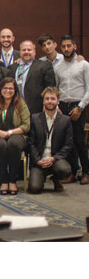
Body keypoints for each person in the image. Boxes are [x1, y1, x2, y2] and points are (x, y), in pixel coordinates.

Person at [0, 77, 31, 195]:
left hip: (16, 134)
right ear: (0, 89)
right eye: (5, 88)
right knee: (0, 144)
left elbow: (26, 126)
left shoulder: (21, 104)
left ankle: (12, 181)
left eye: (11, 88)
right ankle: (3, 180)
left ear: (15, 90)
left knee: (13, 144)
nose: (8, 91)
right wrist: (1, 133)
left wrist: (9, 133)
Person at [54, 35, 89, 184]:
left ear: (74, 46)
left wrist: (80, 107)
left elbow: (88, 88)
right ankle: (73, 172)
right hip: (62, 106)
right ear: (60, 49)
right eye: (64, 47)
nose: (67, 49)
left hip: (78, 105)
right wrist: (56, 107)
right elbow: (55, 88)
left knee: (79, 141)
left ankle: (86, 172)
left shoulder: (84, 65)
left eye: (69, 46)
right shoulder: (57, 66)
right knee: (66, 141)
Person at [28, 87, 74, 193]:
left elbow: (68, 144)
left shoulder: (65, 120)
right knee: (34, 189)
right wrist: (38, 160)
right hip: (39, 160)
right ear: (43, 101)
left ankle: (56, 178)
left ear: (58, 101)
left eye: (52, 99)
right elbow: (31, 143)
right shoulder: (35, 118)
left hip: (55, 160)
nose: (49, 101)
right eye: (47, 98)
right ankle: (41, 177)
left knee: (65, 170)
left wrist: (53, 158)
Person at [9, 40, 55, 116]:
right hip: (15, 109)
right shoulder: (12, 68)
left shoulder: (44, 66)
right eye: (24, 50)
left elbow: (50, 88)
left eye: (29, 50)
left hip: (36, 110)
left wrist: (46, 105)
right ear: (20, 52)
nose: (26, 52)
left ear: (34, 52)